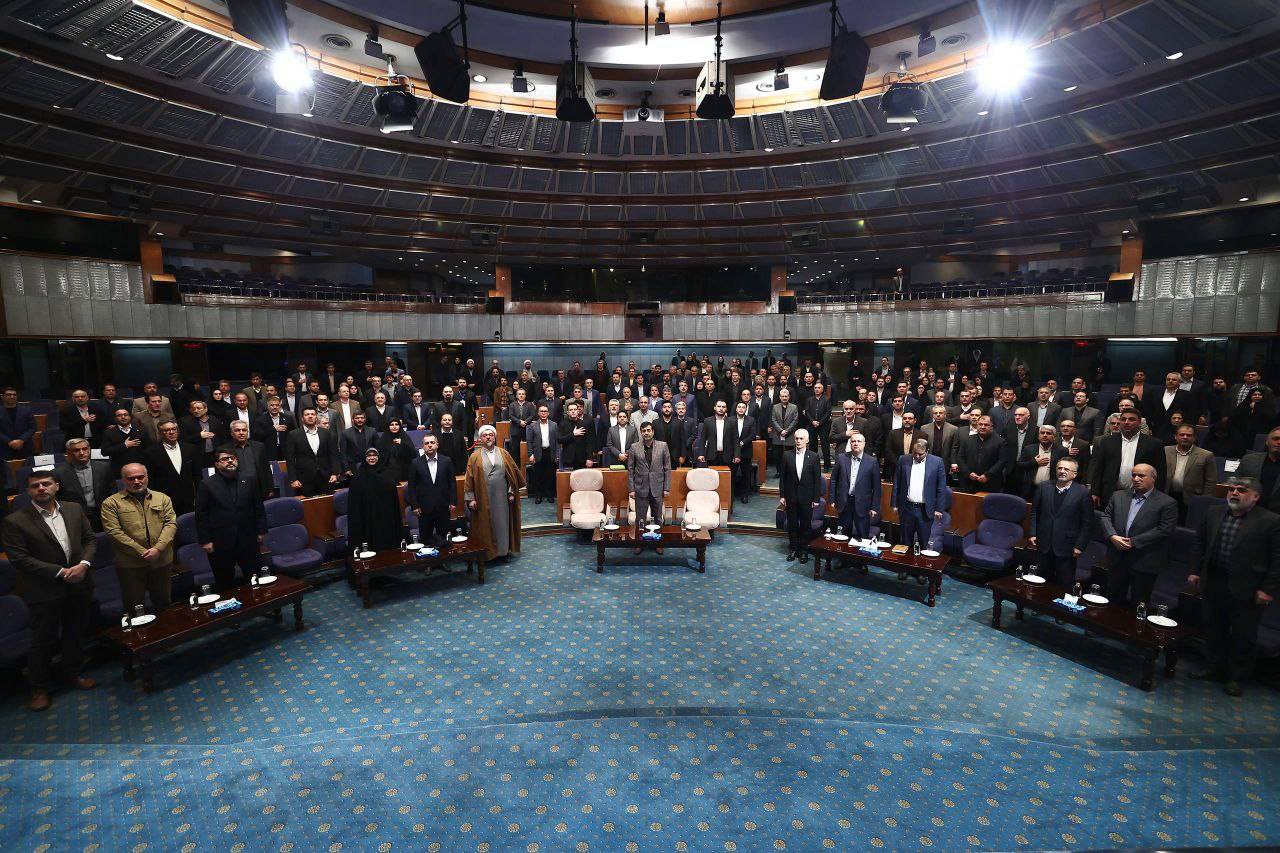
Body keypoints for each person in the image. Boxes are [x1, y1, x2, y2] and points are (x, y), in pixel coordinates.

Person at [1, 470, 97, 711]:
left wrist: (84, 564)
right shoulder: (15, 521)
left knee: (75, 632)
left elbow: (90, 540)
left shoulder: (73, 509)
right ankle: (39, 689)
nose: (41, 488)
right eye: (35, 486)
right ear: (28, 491)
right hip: (44, 589)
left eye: (46, 484)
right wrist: (61, 572)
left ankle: (73, 673)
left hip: (79, 582)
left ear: (56, 486)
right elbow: (20, 559)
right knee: (43, 640)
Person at [1189, 476, 1280, 697]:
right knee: (1214, 627)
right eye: (1232, 489)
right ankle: (1213, 667)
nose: (1235, 493)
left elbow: (1277, 559)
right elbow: (1200, 543)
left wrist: (1267, 589)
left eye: (1241, 490)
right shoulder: (1214, 512)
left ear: (1255, 496)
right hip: (1214, 581)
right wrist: (1195, 571)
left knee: (1243, 635)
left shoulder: (1271, 521)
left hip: (1248, 587)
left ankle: (1236, 678)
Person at [99, 463, 177, 615]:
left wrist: (158, 549)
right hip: (131, 564)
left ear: (147, 477)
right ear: (123, 480)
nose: (136, 481)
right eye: (131, 478)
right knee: (135, 608)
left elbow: (171, 524)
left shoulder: (162, 498)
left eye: (140, 477)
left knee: (164, 604)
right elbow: (114, 532)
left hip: (161, 560)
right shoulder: (111, 503)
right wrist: (143, 552)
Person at [1099, 463, 1177, 606]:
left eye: (1141, 476)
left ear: (1153, 478)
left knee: (1139, 603)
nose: (1136, 479)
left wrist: (1133, 542)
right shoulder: (1118, 495)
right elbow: (1105, 517)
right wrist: (1112, 536)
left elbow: (1164, 529)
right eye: (1133, 475)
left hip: (1144, 559)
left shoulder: (1167, 503)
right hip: (1118, 557)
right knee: (1113, 600)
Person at [194, 446, 267, 591]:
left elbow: (258, 507)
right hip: (221, 541)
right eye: (224, 459)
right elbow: (201, 514)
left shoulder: (249, 479)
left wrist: (261, 530)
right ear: (217, 464)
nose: (229, 461)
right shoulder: (207, 484)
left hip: (248, 538)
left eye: (232, 458)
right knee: (224, 582)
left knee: (254, 577)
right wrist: (205, 540)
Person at [1028, 458, 1095, 587]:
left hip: (1067, 546)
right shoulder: (1043, 487)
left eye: (1066, 469)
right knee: (1040, 582)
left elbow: (1087, 523)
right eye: (1060, 468)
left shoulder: (1083, 492)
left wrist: (1080, 546)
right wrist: (1032, 533)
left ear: (1074, 474)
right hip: (1044, 543)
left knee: (1064, 584)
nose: (1062, 471)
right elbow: (1034, 512)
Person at [464, 425, 524, 561]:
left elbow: (512, 475)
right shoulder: (474, 456)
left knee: (502, 524)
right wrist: (471, 499)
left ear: (495, 437)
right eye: (485, 435)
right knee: (485, 525)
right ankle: (488, 554)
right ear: (480, 438)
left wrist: (511, 492)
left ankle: (503, 552)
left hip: (501, 496)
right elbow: (469, 479)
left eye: (491, 435)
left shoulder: (504, 453)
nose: (488, 437)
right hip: (483, 496)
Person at [1089, 409, 1166, 504]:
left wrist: (1156, 495)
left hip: (1142, 494)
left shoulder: (1154, 444)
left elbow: (1160, 472)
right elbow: (1099, 468)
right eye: (1123, 419)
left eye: (1131, 419)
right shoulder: (1107, 442)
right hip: (1110, 493)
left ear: (1140, 423)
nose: (1126, 422)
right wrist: (1095, 492)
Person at [893, 438, 947, 553]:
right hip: (907, 508)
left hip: (925, 510)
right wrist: (894, 503)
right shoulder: (903, 459)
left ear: (927, 451)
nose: (917, 456)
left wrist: (939, 509)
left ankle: (922, 565)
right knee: (905, 542)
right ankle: (905, 564)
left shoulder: (937, 462)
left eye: (920, 454)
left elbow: (941, 488)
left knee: (924, 543)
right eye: (914, 453)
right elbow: (897, 482)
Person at [346, 447, 404, 552]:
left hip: (385, 518)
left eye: (374, 455)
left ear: (378, 457)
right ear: (365, 458)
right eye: (369, 455)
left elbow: (392, 496)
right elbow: (354, 504)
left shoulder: (386, 474)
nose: (372, 458)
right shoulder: (358, 477)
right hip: (367, 518)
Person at [627, 421, 672, 552]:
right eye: (644, 431)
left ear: (653, 431)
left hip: (658, 487)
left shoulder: (663, 446)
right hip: (640, 487)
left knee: (657, 518)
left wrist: (666, 488)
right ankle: (639, 542)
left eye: (648, 430)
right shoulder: (634, 447)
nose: (646, 433)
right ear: (641, 433)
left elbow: (667, 468)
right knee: (640, 518)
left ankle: (658, 542)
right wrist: (631, 489)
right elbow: (630, 470)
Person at [779, 428, 821, 564]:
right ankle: (793, 549)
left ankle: (804, 551)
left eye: (801, 438)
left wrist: (816, 498)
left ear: (807, 440)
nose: (798, 441)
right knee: (792, 524)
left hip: (807, 497)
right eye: (796, 438)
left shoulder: (814, 456)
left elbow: (817, 480)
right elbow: (783, 478)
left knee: (805, 525)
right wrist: (782, 495)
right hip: (790, 496)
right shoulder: (787, 455)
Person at [53, 437, 114, 531]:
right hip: (75, 517)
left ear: (89, 449)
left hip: (103, 513)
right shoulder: (58, 473)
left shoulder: (103, 467)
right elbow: (57, 498)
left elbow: (112, 490)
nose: (81, 453)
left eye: (84, 449)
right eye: (76, 450)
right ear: (69, 453)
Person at [407, 433, 457, 546]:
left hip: (443, 506)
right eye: (427, 443)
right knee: (426, 540)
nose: (429, 445)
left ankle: (443, 557)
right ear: (423, 446)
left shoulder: (447, 461)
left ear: (437, 445)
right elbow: (412, 487)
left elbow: (452, 483)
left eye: (432, 442)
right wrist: (414, 506)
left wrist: (453, 501)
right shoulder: (415, 463)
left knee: (443, 540)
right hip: (424, 508)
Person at [830, 431, 880, 541]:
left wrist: (874, 507)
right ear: (850, 443)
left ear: (864, 444)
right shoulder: (841, 458)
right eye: (853, 441)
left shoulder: (872, 462)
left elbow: (877, 487)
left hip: (863, 504)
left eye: (859, 441)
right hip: (844, 502)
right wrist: (832, 499)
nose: (856, 443)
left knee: (863, 537)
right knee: (842, 536)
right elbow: (833, 480)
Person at [143, 420, 200, 516]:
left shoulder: (190, 449)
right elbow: (151, 480)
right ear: (160, 433)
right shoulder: (151, 453)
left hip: (189, 499)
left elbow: (197, 475)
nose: (171, 432)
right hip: (165, 501)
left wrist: (198, 496)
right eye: (167, 430)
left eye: (174, 429)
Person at [284, 407, 340, 496]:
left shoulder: (326, 433)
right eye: (307, 414)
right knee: (309, 503)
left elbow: (333, 454)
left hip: (326, 476)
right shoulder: (293, 435)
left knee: (327, 502)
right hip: (304, 478)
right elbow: (290, 459)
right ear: (302, 418)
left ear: (316, 417)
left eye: (313, 414)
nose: (310, 416)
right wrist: (293, 479)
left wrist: (335, 473)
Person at [1165, 423, 1216, 521]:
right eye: (1182, 434)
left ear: (1194, 438)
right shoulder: (1165, 451)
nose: (1185, 437)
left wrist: (1205, 500)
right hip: (1168, 495)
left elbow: (1211, 481)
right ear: (1175, 436)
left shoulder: (1206, 455)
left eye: (1189, 435)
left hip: (1191, 498)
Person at [1236, 426, 1280, 513]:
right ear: (1267, 442)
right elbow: (1236, 484)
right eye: (1275, 439)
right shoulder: (1249, 460)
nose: (1279, 442)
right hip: (1249, 509)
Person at [957, 414, 1006, 493]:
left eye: (986, 425)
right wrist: (968, 473)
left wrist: (987, 475)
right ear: (977, 425)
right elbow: (960, 458)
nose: (983, 427)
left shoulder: (1000, 442)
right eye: (980, 424)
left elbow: (1001, 462)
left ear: (992, 426)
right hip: (969, 482)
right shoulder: (967, 440)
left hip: (991, 482)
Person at [227, 420, 273, 501]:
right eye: (237, 430)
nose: (241, 433)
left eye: (244, 430)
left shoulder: (259, 446)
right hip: (237, 492)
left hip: (259, 490)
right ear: (231, 433)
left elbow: (266, 469)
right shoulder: (224, 450)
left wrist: (270, 488)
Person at [101, 407, 151, 478]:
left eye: (125, 415)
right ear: (115, 418)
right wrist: (124, 445)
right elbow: (104, 452)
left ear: (130, 417)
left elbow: (149, 449)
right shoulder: (109, 433)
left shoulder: (141, 430)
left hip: (139, 469)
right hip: (119, 471)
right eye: (119, 415)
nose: (123, 417)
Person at [525, 404, 559, 504]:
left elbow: (557, 441)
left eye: (545, 411)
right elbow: (529, 441)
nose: (543, 413)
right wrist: (530, 454)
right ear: (538, 413)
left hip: (550, 452)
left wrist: (557, 454)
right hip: (538, 453)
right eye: (541, 411)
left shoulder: (554, 425)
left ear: (548, 413)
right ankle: (538, 496)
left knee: (550, 475)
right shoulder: (532, 426)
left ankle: (550, 495)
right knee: (538, 476)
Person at [254, 396, 295, 462]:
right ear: (268, 406)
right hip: (268, 451)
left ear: (280, 406)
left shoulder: (288, 418)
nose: (275, 407)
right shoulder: (260, 419)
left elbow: (293, 435)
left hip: (285, 451)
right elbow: (257, 436)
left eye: (277, 405)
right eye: (272, 405)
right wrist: (273, 429)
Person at [770, 387, 799, 480]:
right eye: (782, 396)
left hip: (789, 434)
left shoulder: (794, 407)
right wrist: (780, 431)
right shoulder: (775, 407)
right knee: (777, 455)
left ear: (789, 397)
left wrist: (787, 431)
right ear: (780, 397)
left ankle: (788, 472)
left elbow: (795, 420)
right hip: (777, 434)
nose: (784, 398)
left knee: (790, 455)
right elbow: (773, 420)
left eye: (786, 396)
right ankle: (779, 471)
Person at [559, 401, 597, 470]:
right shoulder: (562, 424)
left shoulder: (584, 424)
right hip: (568, 459)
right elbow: (559, 440)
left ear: (578, 411)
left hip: (582, 459)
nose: (573, 411)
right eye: (571, 410)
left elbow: (589, 442)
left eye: (575, 409)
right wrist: (573, 434)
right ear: (567, 412)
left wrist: (590, 458)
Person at [804, 381, 833, 471]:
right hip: (812, 425)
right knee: (812, 446)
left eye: (819, 388)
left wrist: (819, 422)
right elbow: (807, 411)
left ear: (822, 389)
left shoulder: (827, 399)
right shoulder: (809, 399)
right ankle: (813, 465)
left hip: (823, 425)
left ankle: (827, 466)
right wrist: (812, 421)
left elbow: (828, 413)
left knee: (825, 446)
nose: (817, 389)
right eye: (815, 388)